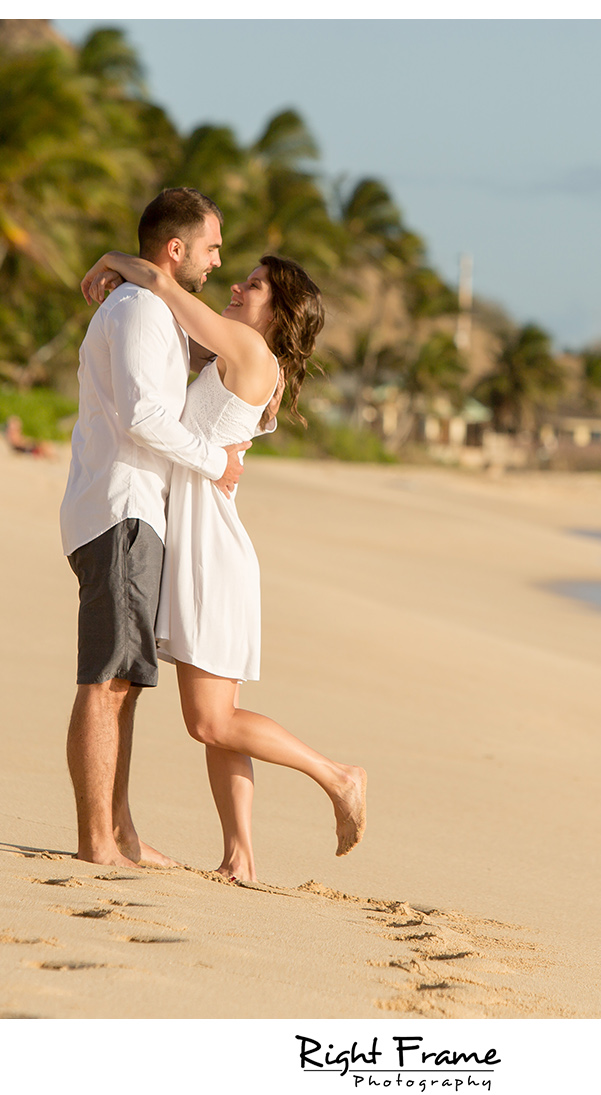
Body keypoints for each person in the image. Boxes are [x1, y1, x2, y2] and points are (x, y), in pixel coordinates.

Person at [81, 248, 367, 884]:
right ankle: (239, 856)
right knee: (220, 724)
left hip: (210, 554)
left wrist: (110, 259)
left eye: (257, 285)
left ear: (280, 308)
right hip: (207, 547)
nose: (238, 285)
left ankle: (338, 776)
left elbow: (161, 282)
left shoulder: (246, 350)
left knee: (209, 722)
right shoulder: (249, 359)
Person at [59, 188, 250, 869]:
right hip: (123, 508)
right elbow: (144, 416)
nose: (219, 258)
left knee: (126, 683)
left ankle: (121, 832)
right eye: (212, 246)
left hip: (128, 510)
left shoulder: (154, 308)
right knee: (107, 678)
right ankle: (96, 841)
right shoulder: (140, 309)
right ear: (177, 249)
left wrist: (118, 258)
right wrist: (215, 463)